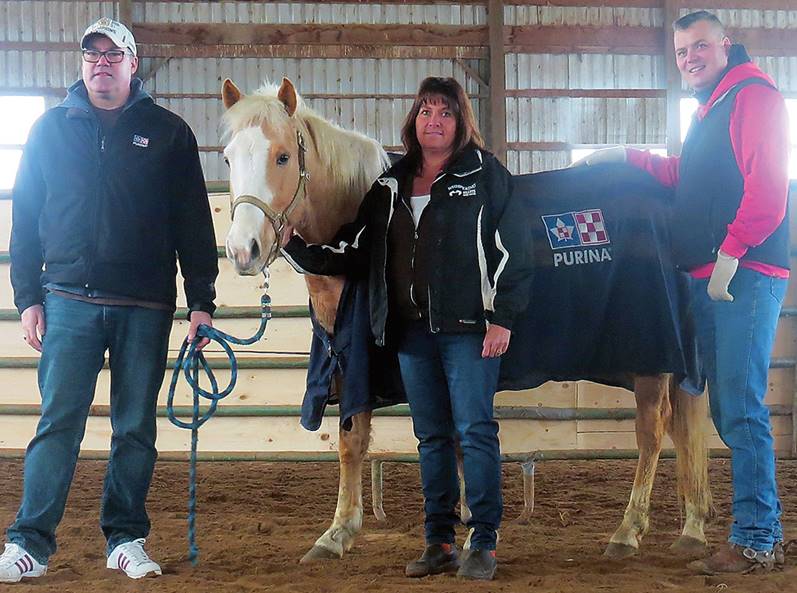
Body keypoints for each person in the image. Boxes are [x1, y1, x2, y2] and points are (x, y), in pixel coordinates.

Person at [281, 77, 532, 580]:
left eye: (444, 113)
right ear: (413, 121)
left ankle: (483, 539)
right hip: (413, 334)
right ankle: (439, 540)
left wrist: (502, 318)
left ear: (460, 123)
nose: (433, 121)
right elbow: (354, 251)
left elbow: (516, 251)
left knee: (476, 432)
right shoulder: (390, 186)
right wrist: (294, 246)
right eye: (425, 112)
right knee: (432, 438)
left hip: (468, 330)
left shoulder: (486, 175)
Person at [0, 18, 219, 582]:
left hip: (145, 305)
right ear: (82, 64)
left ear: (132, 62)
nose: (101, 63)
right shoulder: (49, 130)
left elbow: (194, 221)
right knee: (58, 423)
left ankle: (125, 539)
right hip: (67, 298)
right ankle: (29, 543)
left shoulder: (170, 133)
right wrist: (28, 296)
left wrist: (202, 300)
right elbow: (25, 218)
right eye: (92, 54)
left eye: (112, 54)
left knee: (134, 427)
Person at [578, 10, 790, 574]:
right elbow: (684, 176)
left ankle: (757, 538)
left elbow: (769, 189)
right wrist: (629, 157)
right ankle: (757, 530)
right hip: (710, 278)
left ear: (725, 44)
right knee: (727, 407)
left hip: (742, 275)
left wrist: (733, 250)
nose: (689, 57)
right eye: (680, 52)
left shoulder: (754, 97)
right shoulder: (712, 109)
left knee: (741, 409)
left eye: (699, 46)